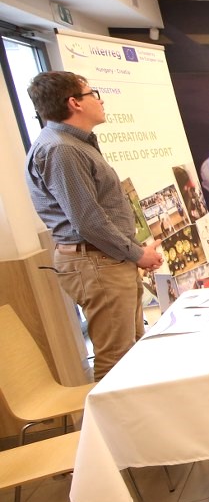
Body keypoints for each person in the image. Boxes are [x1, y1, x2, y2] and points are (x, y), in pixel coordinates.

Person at [25, 72, 163, 381]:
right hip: (96, 262)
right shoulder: (62, 149)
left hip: (106, 258)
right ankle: (112, 415)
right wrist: (136, 254)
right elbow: (87, 220)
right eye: (93, 94)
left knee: (132, 352)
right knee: (117, 360)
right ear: (74, 103)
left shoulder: (73, 143)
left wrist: (133, 250)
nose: (100, 101)